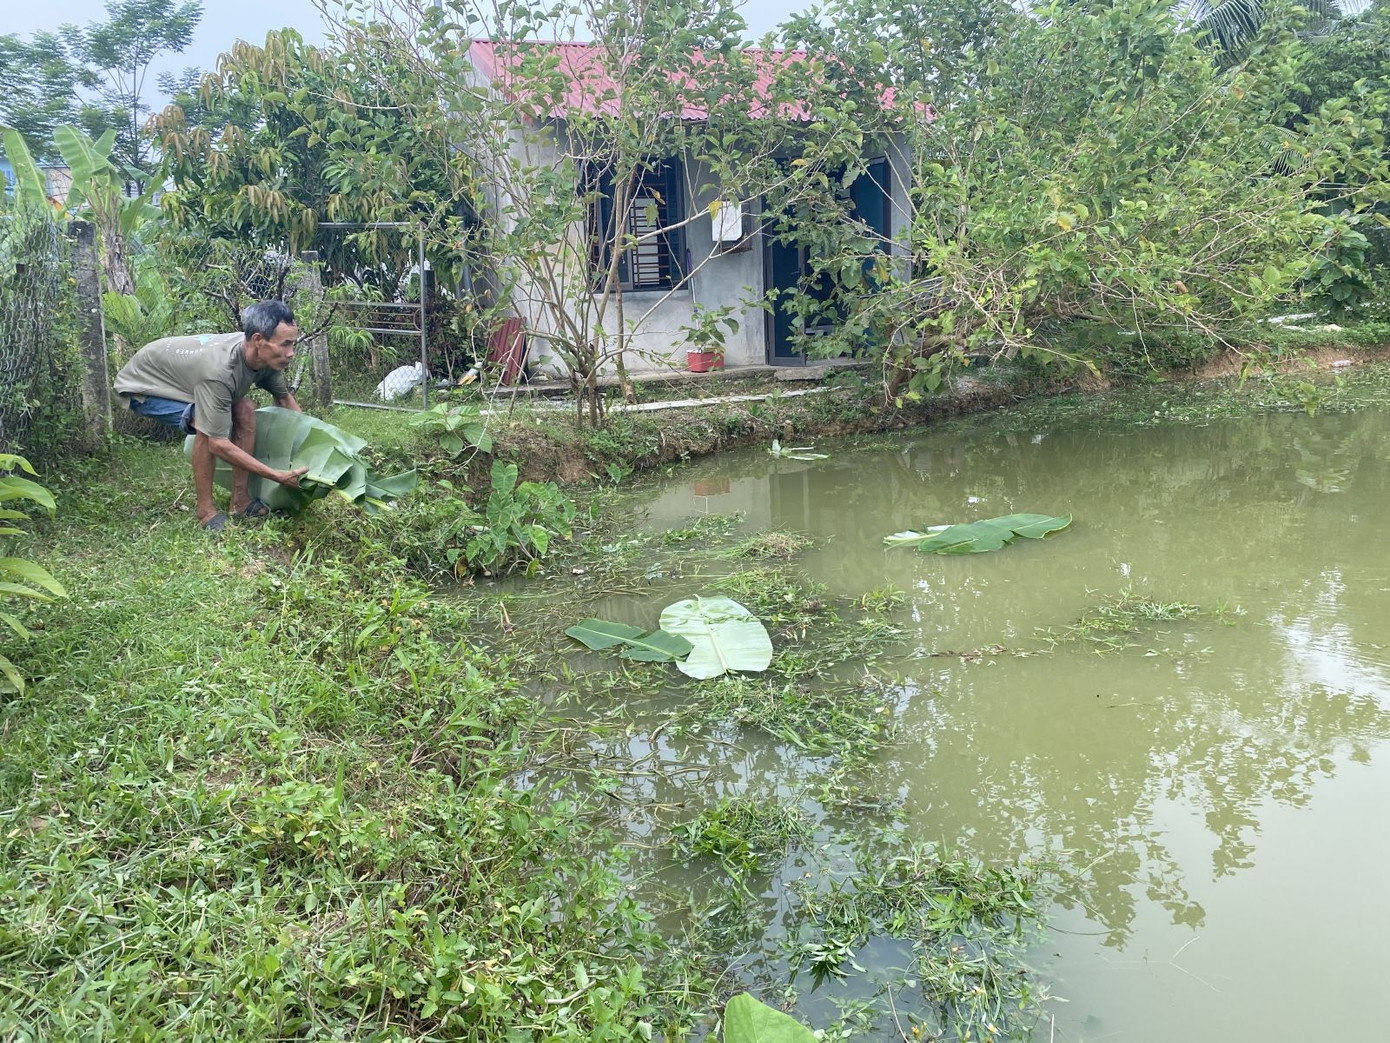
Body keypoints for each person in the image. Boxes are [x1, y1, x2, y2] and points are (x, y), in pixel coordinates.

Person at [114, 300, 310, 531]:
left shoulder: (267, 359)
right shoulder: (220, 372)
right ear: (258, 340)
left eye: (292, 344)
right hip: (143, 387)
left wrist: (314, 445)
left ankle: (240, 502)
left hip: (188, 378)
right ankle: (206, 513)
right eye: (285, 345)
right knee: (204, 425)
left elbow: (286, 400)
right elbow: (217, 444)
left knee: (245, 409)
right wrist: (277, 476)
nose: (291, 353)